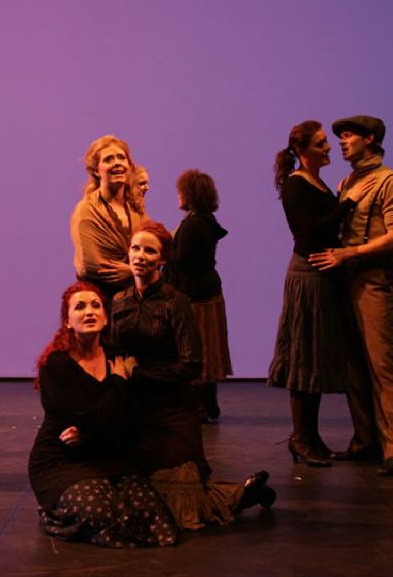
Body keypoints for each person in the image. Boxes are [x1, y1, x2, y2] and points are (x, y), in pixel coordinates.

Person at [112, 221, 274, 529]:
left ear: (163, 259)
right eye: (135, 248)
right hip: (133, 411)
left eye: (150, 250)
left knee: (184, 510)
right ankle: (244, 489)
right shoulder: (119, 301)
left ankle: (245, 494)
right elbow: (114, 352)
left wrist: (139, 374)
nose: (140, 256)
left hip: (171, 411)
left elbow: (191, 365)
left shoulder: (176, 302)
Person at [29, 281, 177, 548]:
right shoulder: (57, 364)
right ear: (67, 320)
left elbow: (127, 418)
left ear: (106, 317)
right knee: (99, 511)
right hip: (62, 460)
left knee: (158, 519)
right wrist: (119, 382)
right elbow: (86, 415)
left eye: (96, 306)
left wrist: (90, 431)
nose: (89, 312)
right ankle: (51, 516)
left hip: (107, 455)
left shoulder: (116, 357)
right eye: (80, 307)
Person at [309, 115, 393, 476]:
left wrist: (348, 254)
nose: (341, 141)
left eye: (349, 135)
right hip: (347, 280)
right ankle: (366, 440)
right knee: (354, 366)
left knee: (382, 365)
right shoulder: (348, 181)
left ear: (370, 139)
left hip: (374, 281)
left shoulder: (391, 182)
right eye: (339, 136)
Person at [267, 122, 375, 467]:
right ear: (302, 150)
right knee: (304, 358)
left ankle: (310, 438)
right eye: (321, 144)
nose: (330, 148)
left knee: (313, 358)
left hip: (322, 277)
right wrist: (347, 205)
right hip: (309, 277)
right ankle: (301, 439)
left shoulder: (316, 182)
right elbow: (309, 234)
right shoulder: (296, 185)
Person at [164, 170, 233, 422]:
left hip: (197, 297)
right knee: (205, 350)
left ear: (189, 193)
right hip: (206, 293)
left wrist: (162, 254)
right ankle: (208, 406)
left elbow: (182, 260)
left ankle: (201, 408)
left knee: (196, 350)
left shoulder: (194, 224)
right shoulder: (204, 220)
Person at [70, 135, 148, 301]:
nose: (117, 163)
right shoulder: (87, 209)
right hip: (102, 300)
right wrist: (138, 271)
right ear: (96, 170)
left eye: (121, 158)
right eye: (108, 159)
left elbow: (153, 249)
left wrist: (132, 272)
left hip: (136, 299)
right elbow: (88, 265)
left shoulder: (136, 209)